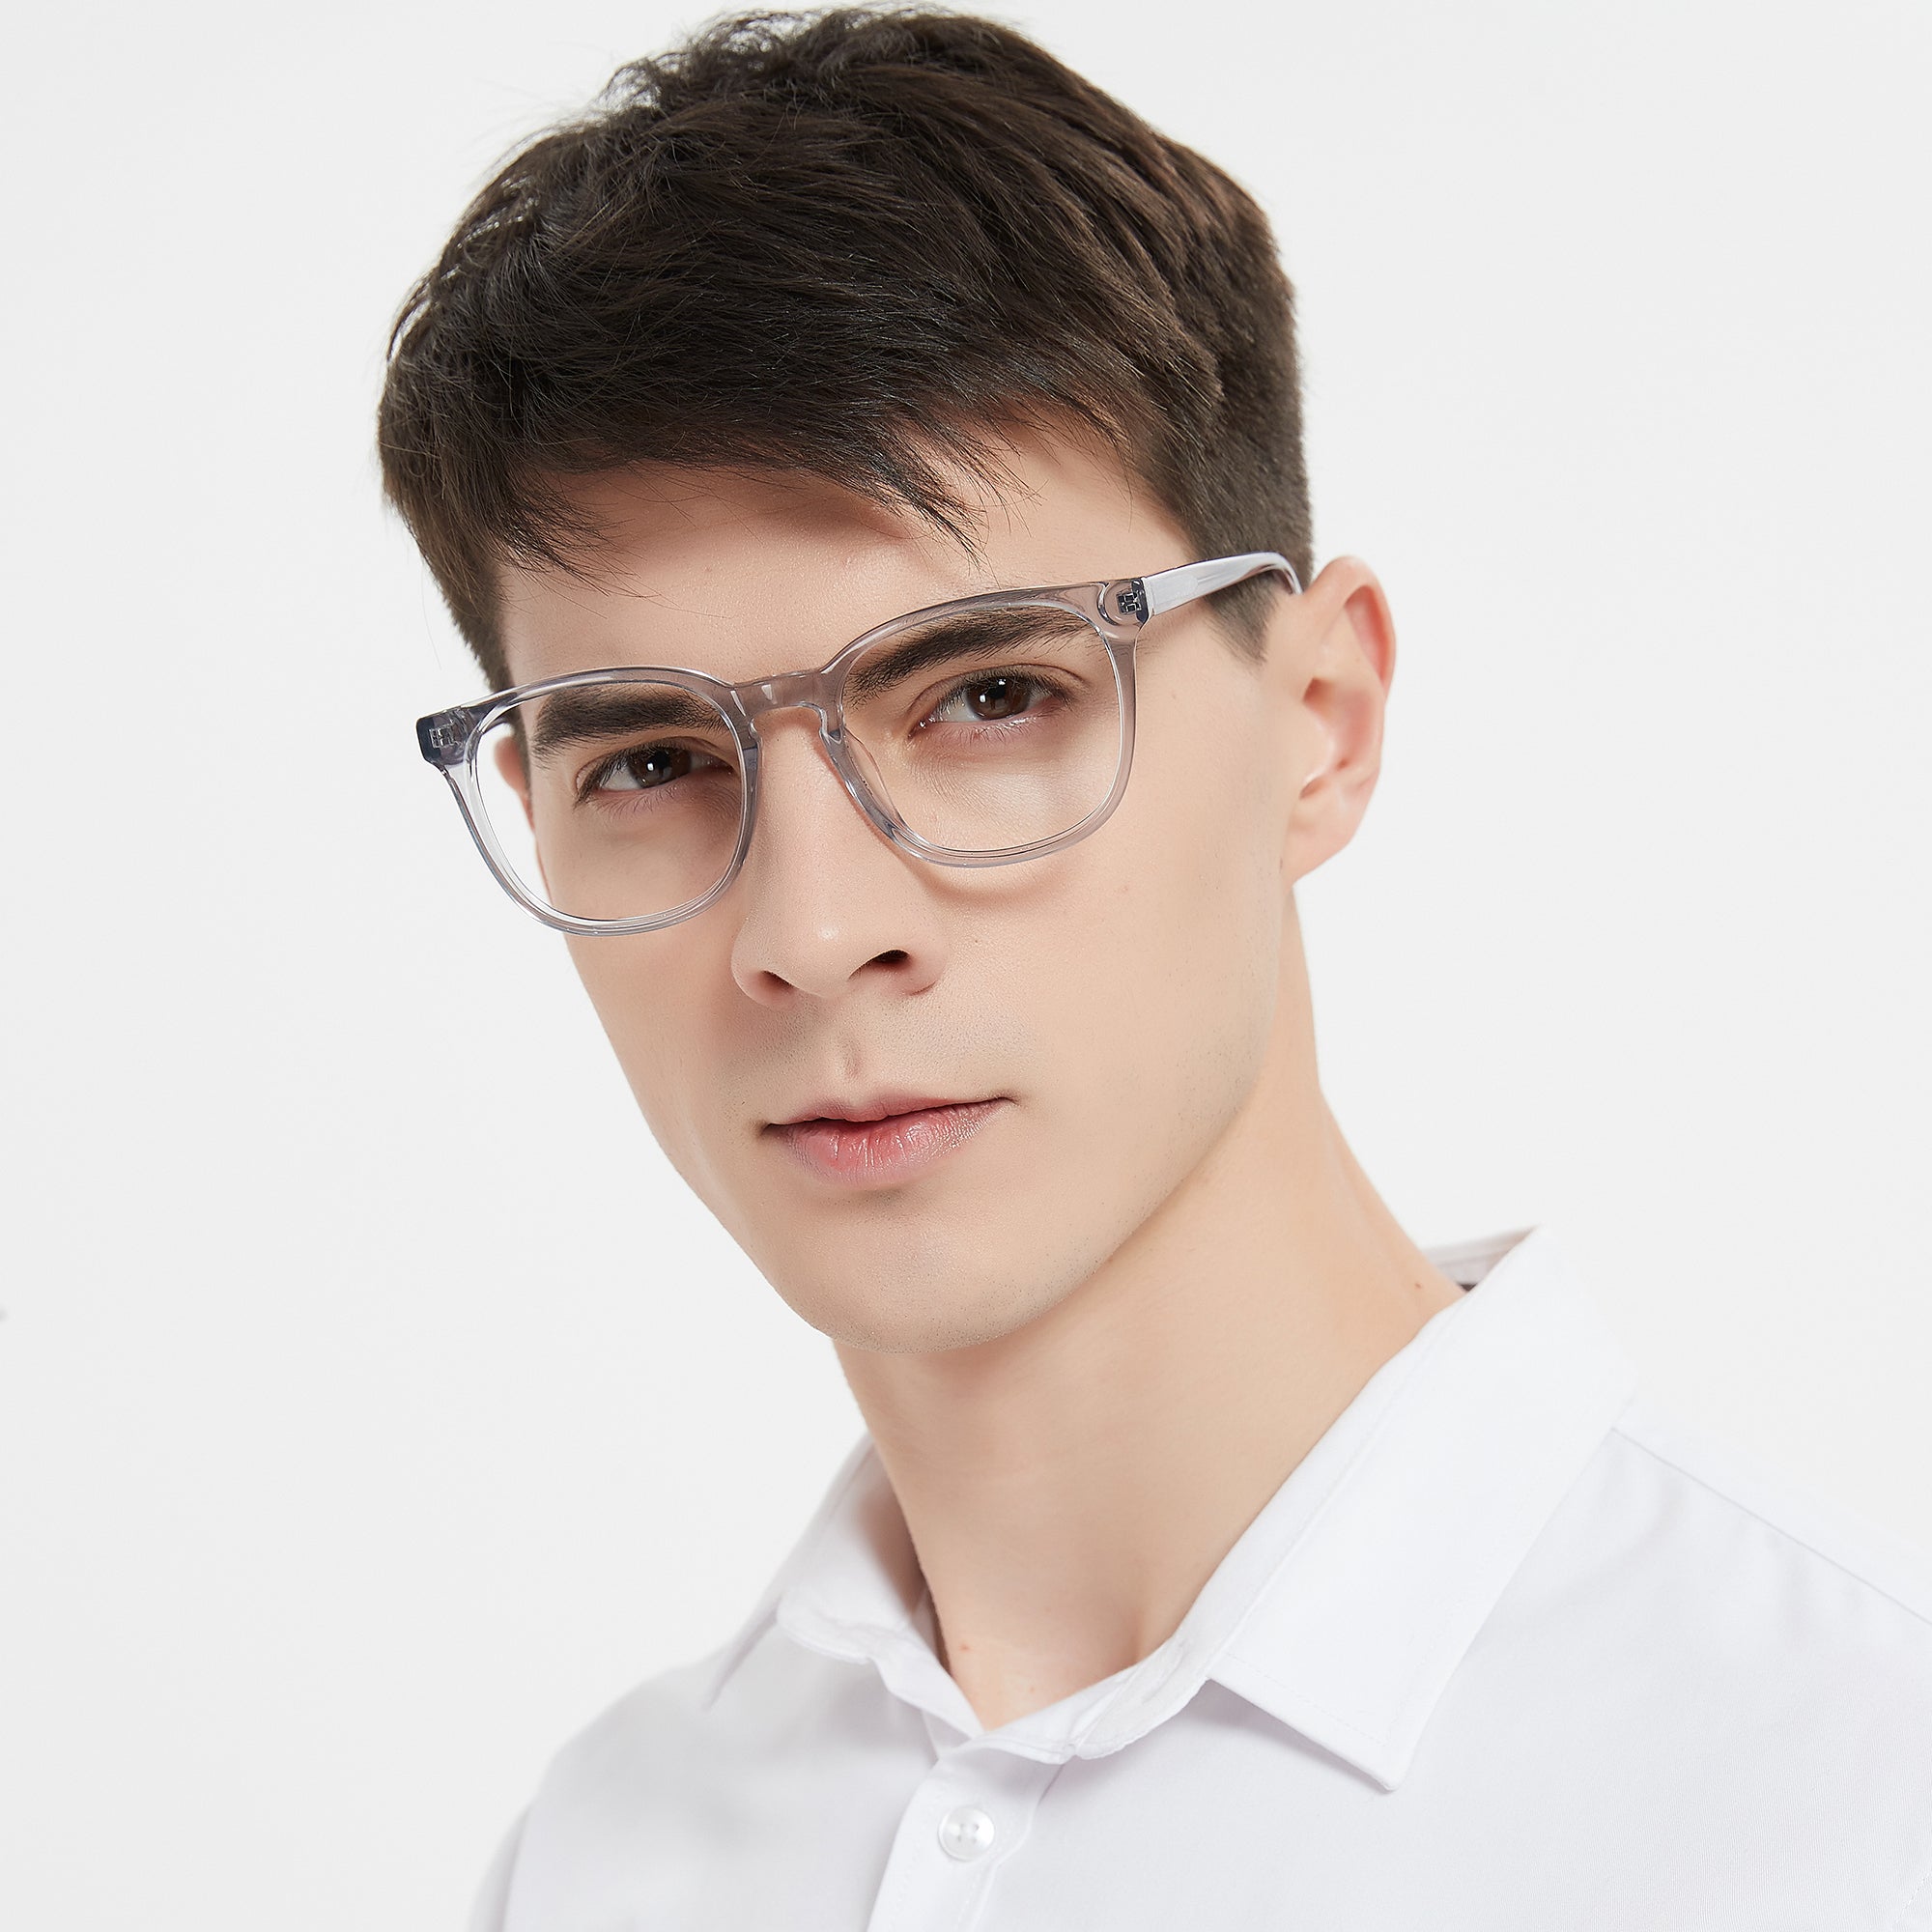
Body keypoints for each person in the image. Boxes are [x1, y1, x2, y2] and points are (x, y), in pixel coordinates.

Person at [378, 9, 1932, 1925]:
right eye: (650, 760)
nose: (809, 933)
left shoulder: (1857, 1807)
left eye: (988, 695)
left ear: (1321, 719)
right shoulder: (611, 1851)